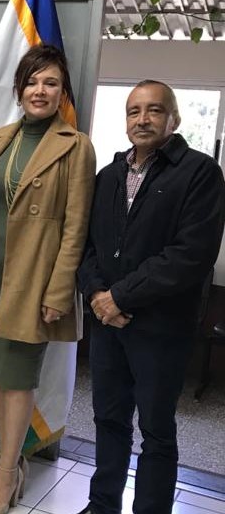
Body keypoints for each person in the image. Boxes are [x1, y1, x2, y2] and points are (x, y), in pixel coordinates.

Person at [76, 80, 225, 514]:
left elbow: (190, 255)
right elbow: (88, 246)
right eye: (133, 111)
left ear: (173, 118)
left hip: (161, 329)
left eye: (154, 110)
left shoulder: (199, 173)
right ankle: (102, 505)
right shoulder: (109, 176)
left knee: (157, 432)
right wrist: (96, 293)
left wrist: (119, 297)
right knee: (108, 419)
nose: (142, 119)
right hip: (108, 326)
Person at [0, 44, 96, 514]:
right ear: (19, 89)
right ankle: (14, 463)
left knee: (18, 380)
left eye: (51, 83)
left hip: (34, 284)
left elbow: (76, 227)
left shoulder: (75, 146)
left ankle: (4, 476)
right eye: (32, 81)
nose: (40, 90)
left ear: (63, 92)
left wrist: (59, 291)